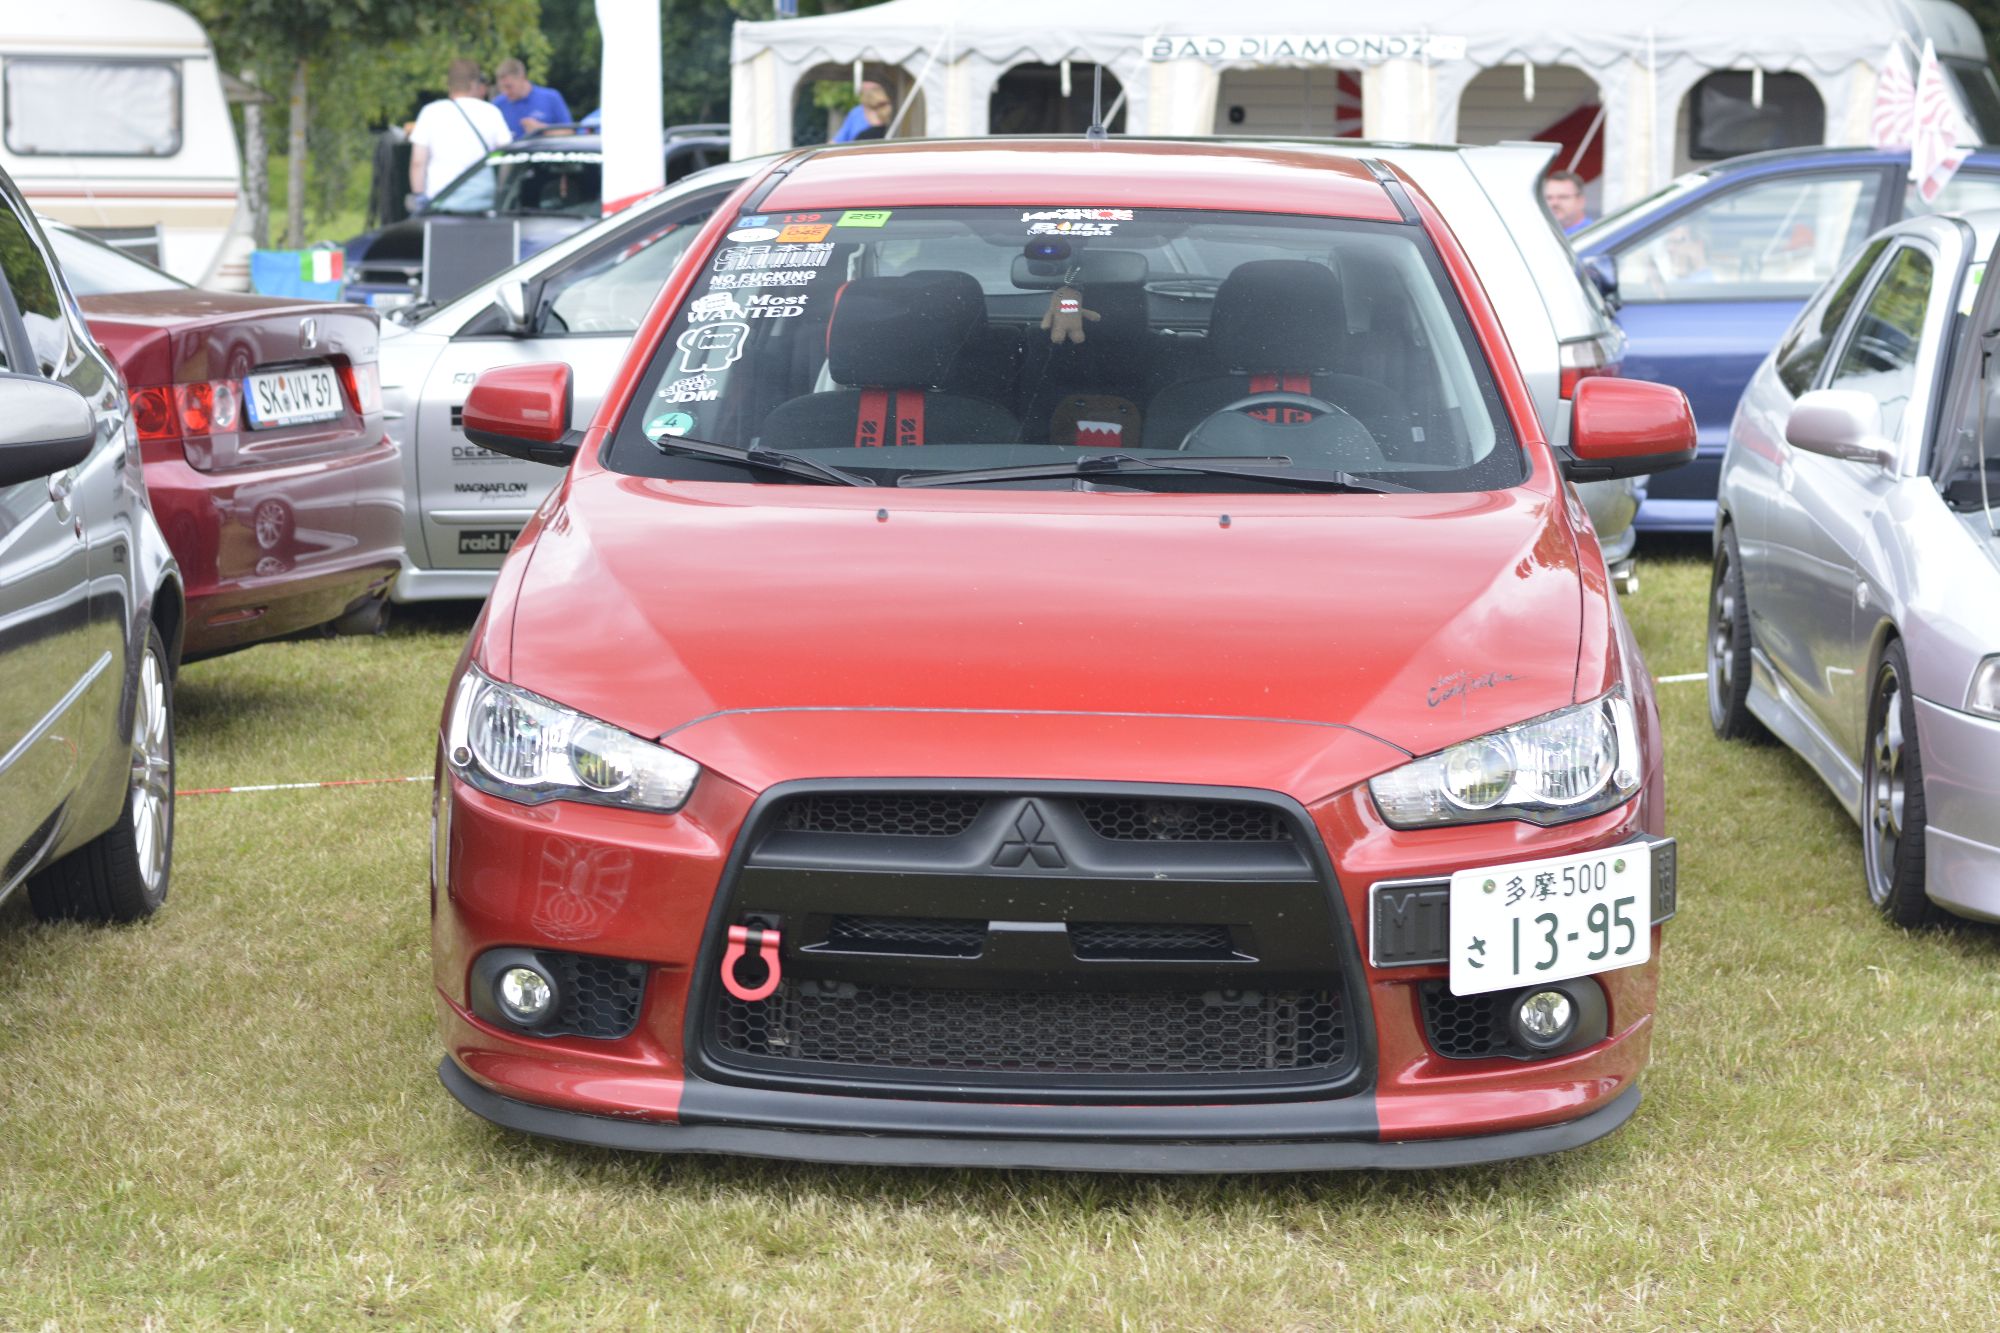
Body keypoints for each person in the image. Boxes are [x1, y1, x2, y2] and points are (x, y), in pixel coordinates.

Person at [491, 57, 573, 137]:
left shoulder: (551, 98)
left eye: (509, 87)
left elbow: (570, 132)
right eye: (501, 88)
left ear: (522, 78)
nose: (505, 92)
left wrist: (541, 129)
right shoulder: (497, 105)